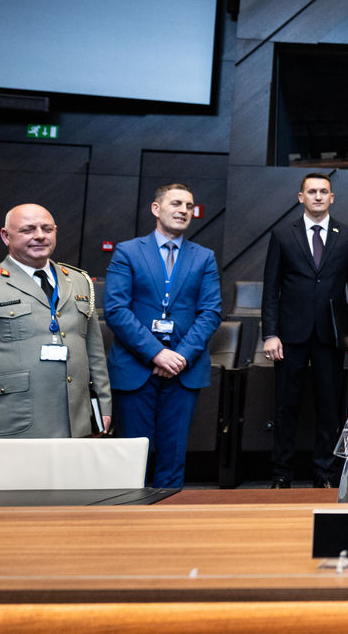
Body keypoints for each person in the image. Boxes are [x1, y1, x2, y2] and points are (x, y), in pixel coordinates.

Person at [0, 204, 110, 453]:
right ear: (5, 236)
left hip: (74, 424)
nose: (40, 235)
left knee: (69, 491)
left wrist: (101, 410)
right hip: (11, 425)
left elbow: (94, 353)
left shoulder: (79, 281)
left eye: (47, 228)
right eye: (28, 229)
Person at [104, 184, 222, 488]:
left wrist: (179, 356)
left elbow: (210, 313)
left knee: (173, 456)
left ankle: (168, 526)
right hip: (135, 367)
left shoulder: (204, 257)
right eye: (176, 203)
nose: (184, 210)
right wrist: (156, 353)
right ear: (156, 209)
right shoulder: (128, 251)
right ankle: (128, 525)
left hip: (185, 369)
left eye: (189, 205)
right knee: (132, 454)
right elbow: (116, 310)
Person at [261, 172, 348, 488]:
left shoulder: (347, 235)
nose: (318, 196)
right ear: (301, 197)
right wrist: (270, 333)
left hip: (332, 335)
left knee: (328, 408)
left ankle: (325, 474)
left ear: (332, 197)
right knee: (286, 407)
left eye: (324, 191)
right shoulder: (282, 234)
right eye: (312, 191)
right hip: (290, 336)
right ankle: (282, 473)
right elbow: (271, 289)